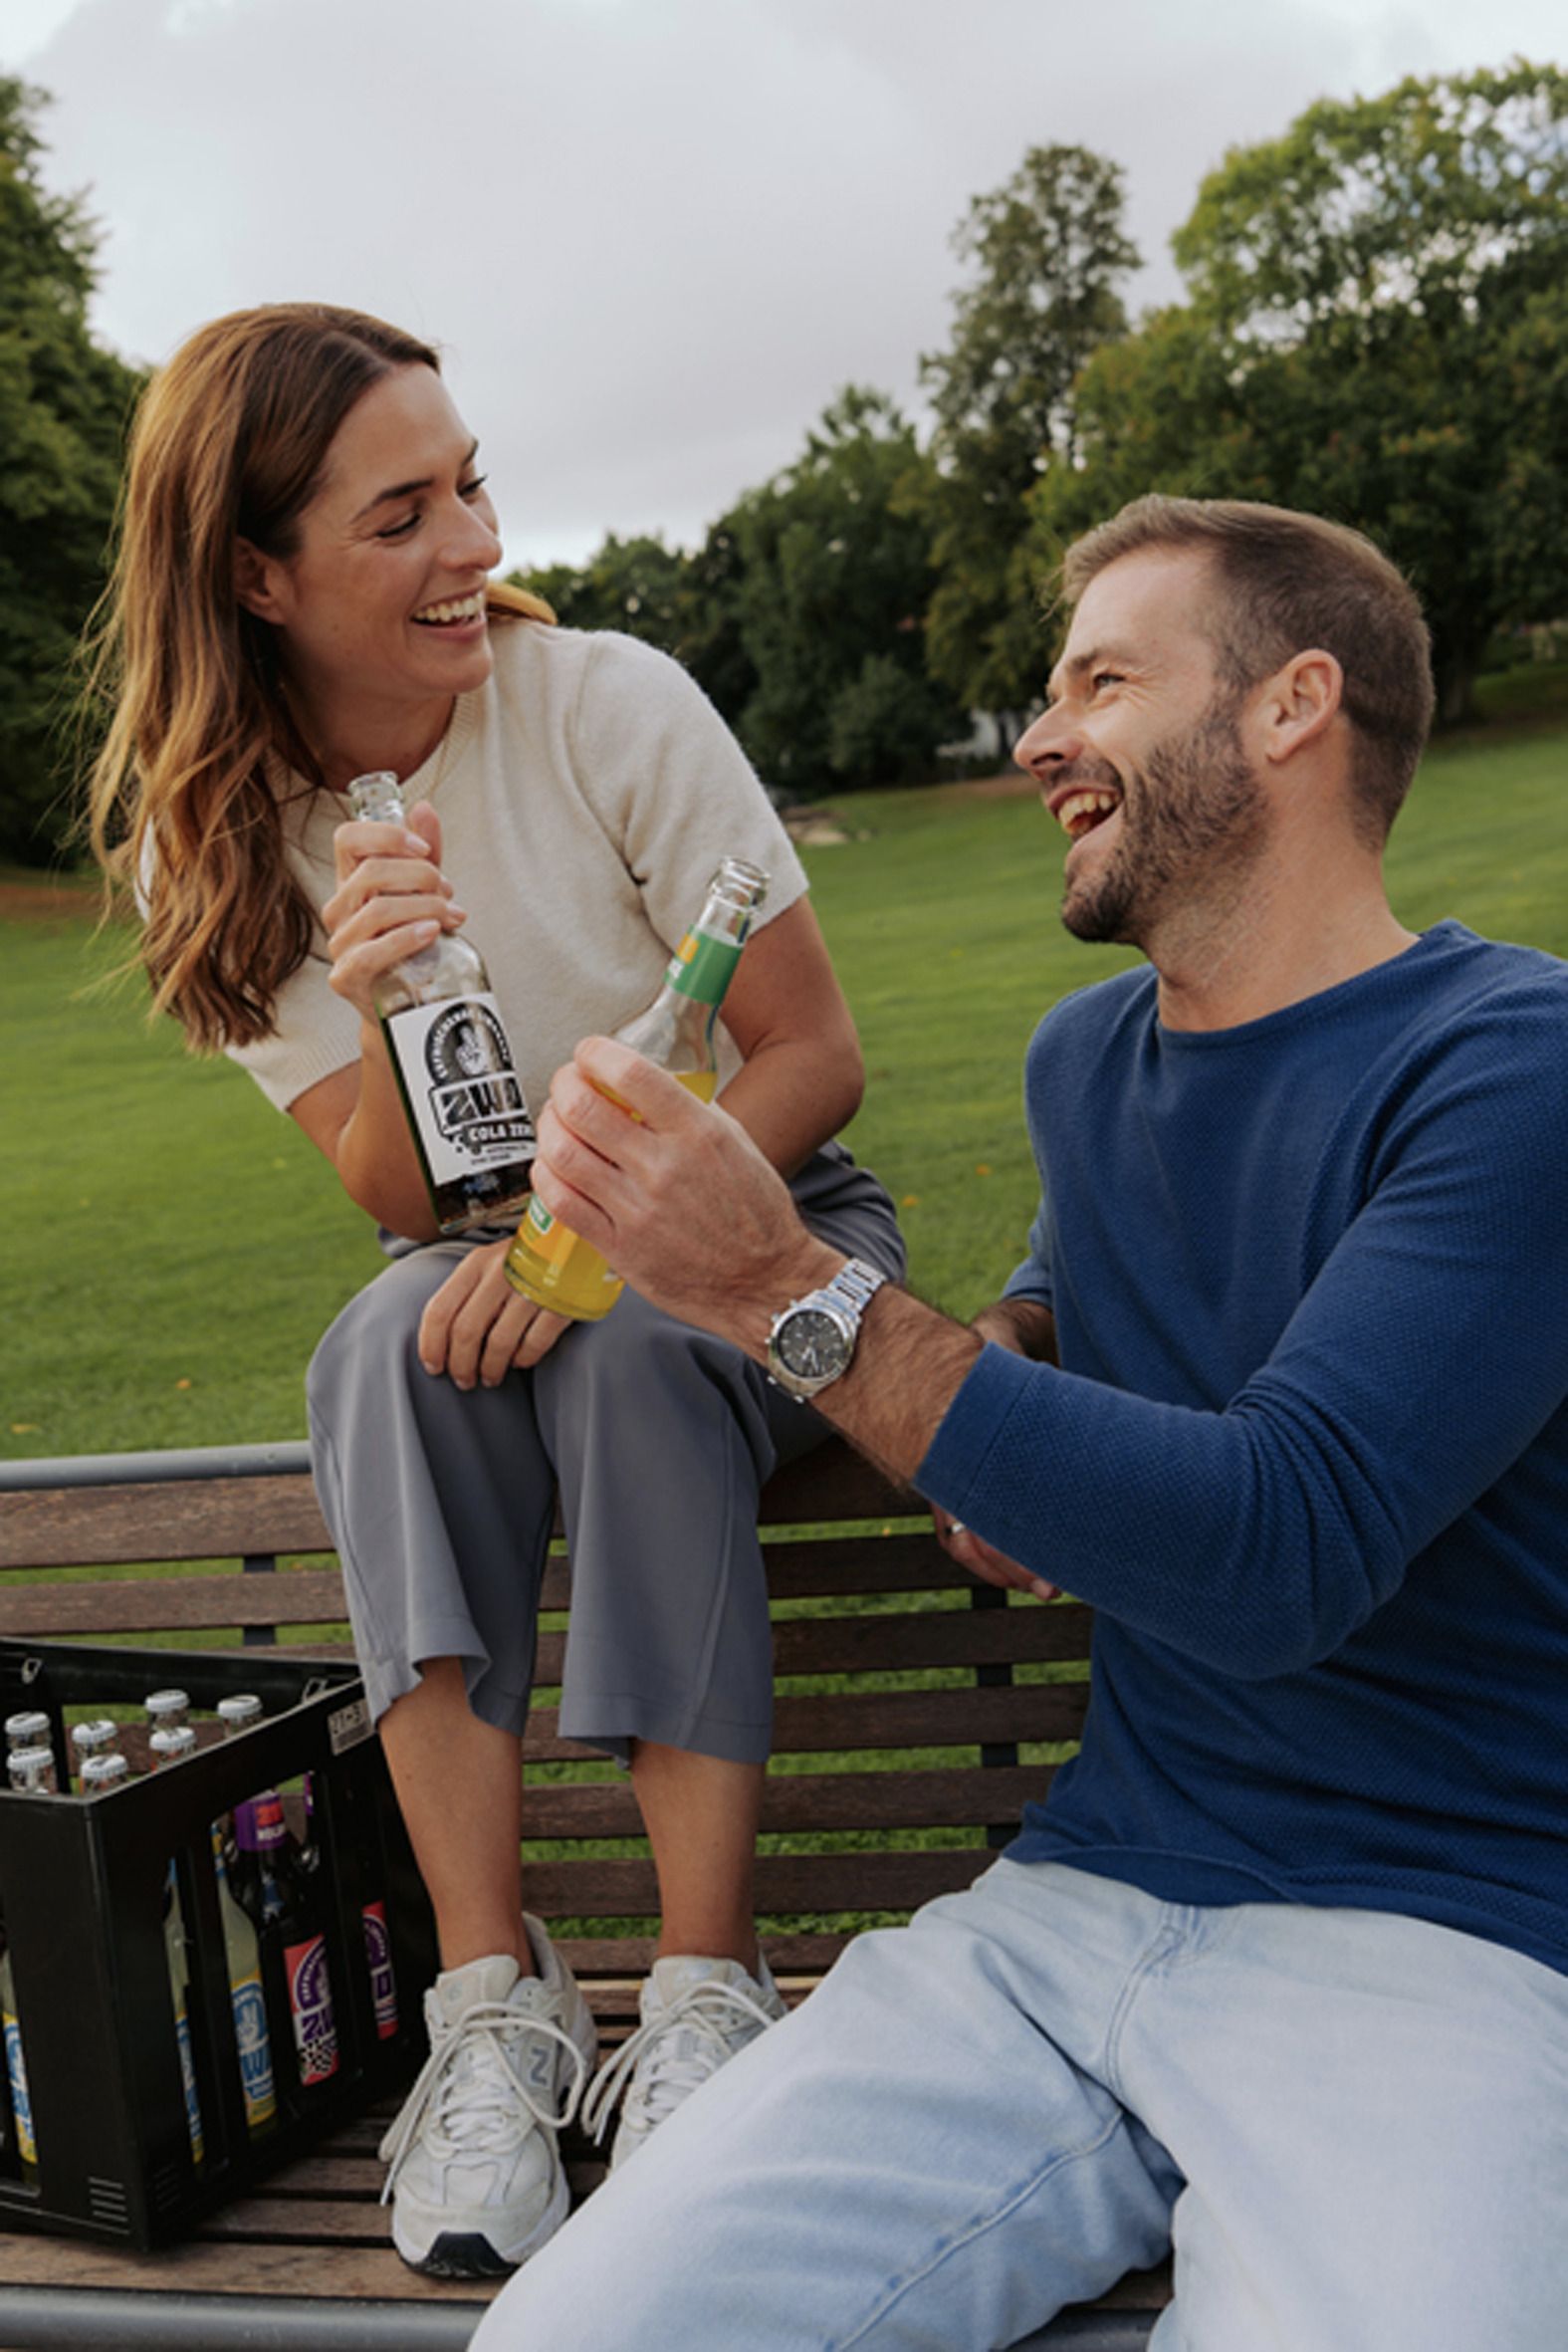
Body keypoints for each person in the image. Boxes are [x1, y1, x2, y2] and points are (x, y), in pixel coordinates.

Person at [471, 496, 1568, 2351]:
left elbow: (1281, 1549)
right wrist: (1004, 1351)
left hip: (1437, 1942)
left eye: (1105, 681)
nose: (1044, 735)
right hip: (1068, 1913)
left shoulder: (1514, 1066)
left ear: (1293, 706)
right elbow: (1074, 1274)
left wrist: (781, 1283)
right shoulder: (1089, 1059)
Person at [85, 303, 905, 2280]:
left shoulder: (603, 703)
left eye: (469, 486)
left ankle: (704, 1987)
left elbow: (807, 1056)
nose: (471, 543)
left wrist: (603, 1246)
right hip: (472, 1261)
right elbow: (396, 1194)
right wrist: (383, 995)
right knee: (374, 1348)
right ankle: (492, 2009)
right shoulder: (214, 847)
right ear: (259, 576)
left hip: (761, 1220)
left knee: (625, 1362)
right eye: (401, 516)